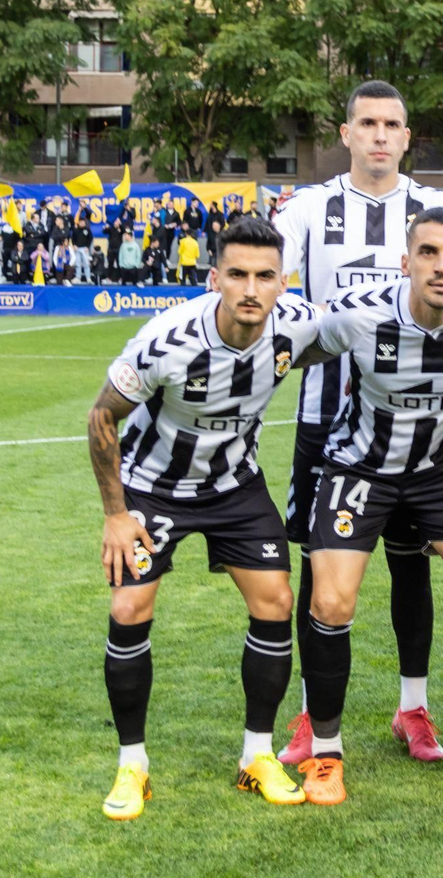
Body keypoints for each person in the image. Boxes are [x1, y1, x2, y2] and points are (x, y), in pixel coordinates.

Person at [288, 208, 443, 803]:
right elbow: (290, 341)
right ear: (406, 261)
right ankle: (325, 753)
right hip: (360, 466)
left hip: (442, 471)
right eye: (428, 253)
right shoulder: (361, 314)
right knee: (331, 599)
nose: (441, 266)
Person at [88, 218, 320, 821]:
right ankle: (132, 765)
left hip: (235, 488)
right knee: (128, 609)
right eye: (237, 274)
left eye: (265, 276)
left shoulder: (297, 325)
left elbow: (365, 327)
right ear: (214, 277)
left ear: (283, 282)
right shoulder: (166, 341)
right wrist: (116, 515)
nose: (251, 288)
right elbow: (101, 418)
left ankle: (256, 756)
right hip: (153, 488)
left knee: (275, 601)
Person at [271, 80, 443, 767]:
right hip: (327, 419)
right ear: (346, 132)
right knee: (321, 568)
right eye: (368, 123)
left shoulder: (435, 209)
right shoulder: (310, 207)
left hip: (416, 422)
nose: (380, 135)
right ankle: (309, 713)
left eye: (392, 124)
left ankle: (412, 706)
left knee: (412, 569)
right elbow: (271, 269)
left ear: (408, 138)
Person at [73, 214, 94, 284]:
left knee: (86, 263)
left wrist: (87, 246)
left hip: (84, 248)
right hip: (77, 249)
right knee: (78, 264)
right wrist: (74, 245)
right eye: (81, 222)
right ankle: (78, 277)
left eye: (83, 222)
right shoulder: (76, 230)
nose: (82, 223)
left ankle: (88, 277)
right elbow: (73, 238)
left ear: (85, 223)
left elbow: (90, 238)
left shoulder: (87, 230)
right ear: (79, 222)